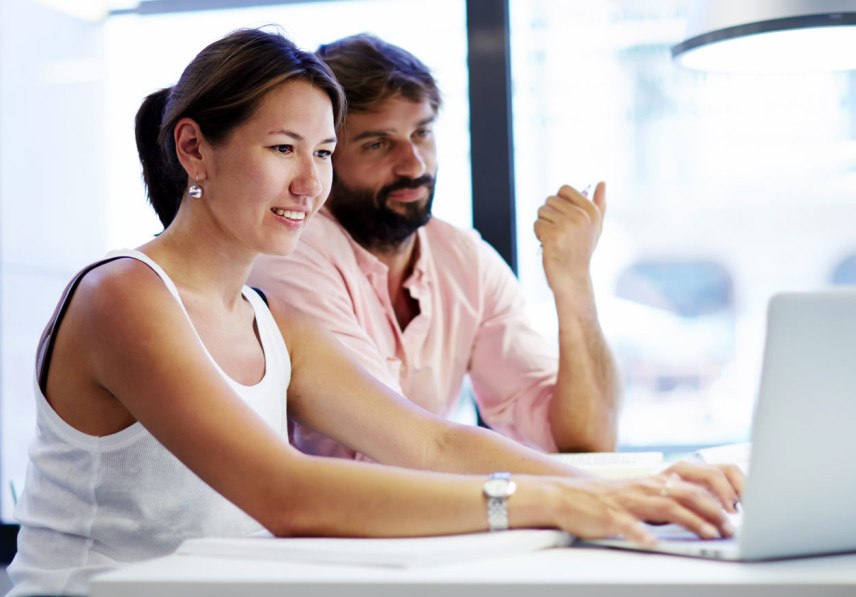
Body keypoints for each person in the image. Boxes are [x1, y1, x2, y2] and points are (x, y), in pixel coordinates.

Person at [6, 27, 741, 597]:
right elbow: (284, 491)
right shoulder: (125, 297)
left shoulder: (267, 319)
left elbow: (433, 445)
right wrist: (550, 499)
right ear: (194, 148)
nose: (308, 183)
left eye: (323, 152)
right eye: (283, 147)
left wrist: (621, 487)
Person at [249, 33, 619, 459]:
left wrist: (574, 284)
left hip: (425, 519)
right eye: (377, 143)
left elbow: (584, 440)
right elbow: (390, 446)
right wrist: (567, 495)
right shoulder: (294, 250)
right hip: (325, 523)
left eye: (422, 132)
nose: (414, 164)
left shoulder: (464, 259)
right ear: (325, 155)